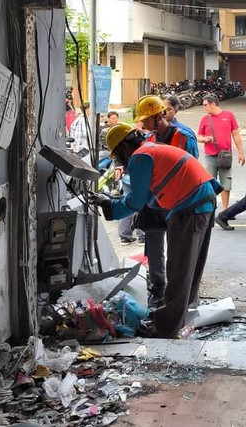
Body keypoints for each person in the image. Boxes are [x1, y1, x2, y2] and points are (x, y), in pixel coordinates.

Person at [93, 123, 222, 338]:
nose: (119, 160)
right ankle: (181, 317)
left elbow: (136, 200)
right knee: (190, 268)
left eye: (117, 154)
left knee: (179, 269)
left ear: (124, 146)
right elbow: (152, 197)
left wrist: (109, 206)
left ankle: (166, 327)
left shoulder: (140, 157)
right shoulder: (153, 148)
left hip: (190, 207)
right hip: (203, 201)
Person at [134, 94, 200, 305]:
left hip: (178, 202)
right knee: (153, 246)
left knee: (178, 250)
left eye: (147, 120)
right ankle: (158, 288)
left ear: (159, 115)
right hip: (155, 202)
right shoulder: (149, 139)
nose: (144, 124)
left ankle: (179, 294)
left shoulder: (184, 137)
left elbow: (192, 170)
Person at [197, 93, 246, 210]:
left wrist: (241, 153)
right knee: (209, 184)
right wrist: (204, 139)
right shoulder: (204, 119)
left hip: (225, 155)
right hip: (210, 156)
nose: (203, 108)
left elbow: (235, 134)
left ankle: (225, 210)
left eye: (205, 105)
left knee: (226, 184)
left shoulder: (229, 116)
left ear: (213, 104)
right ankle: (211, 208)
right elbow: (198, 136)